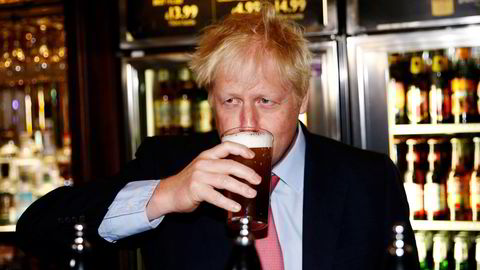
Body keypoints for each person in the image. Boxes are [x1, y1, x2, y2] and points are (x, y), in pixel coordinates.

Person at [16, 2, 419, 270]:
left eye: (265, 101)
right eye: (230, 100)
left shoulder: (368, 177)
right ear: (210, 99)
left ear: (300, 100)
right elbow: (37, 229)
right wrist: (168, 194)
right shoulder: (170, 164)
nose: (247, 123)